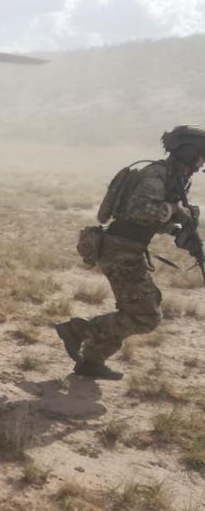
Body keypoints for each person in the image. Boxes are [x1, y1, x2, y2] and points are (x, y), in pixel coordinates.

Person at [55, 125, 205, 380]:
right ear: (189, 153)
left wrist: (177, 229)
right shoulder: (156, 174)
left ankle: (92, 361)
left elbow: (150, 219)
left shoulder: (175, 178)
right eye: (201, 157)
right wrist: (175, 210)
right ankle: (78, 330)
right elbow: (139, 208)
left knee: (143, 306)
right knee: (145, 317)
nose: (202, 163)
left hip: (129, 249)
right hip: (119, 251)